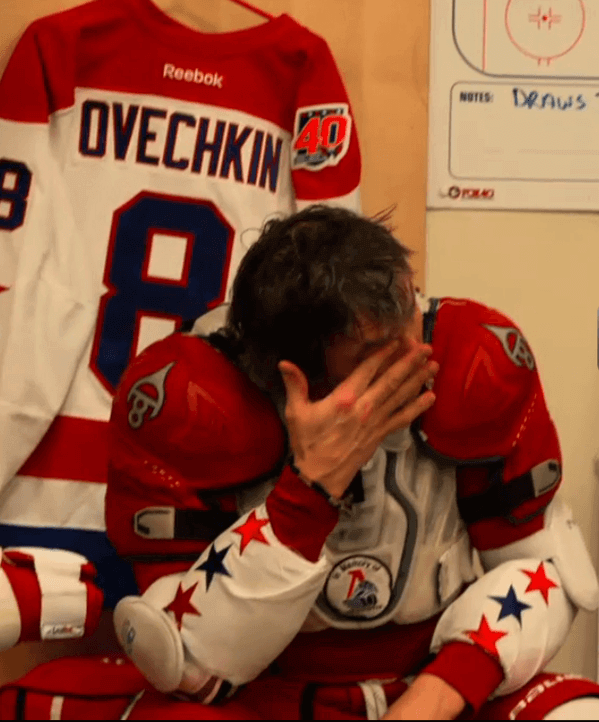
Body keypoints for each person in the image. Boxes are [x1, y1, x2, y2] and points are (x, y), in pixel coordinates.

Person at [57, 206, 599, 718]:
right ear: (288, 372)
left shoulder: (475, 360)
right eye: (379, 353)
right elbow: (189, 661)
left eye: (410, 312)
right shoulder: (188, 401)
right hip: (264, 690)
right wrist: (311, 489)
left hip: (430, 679)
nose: (419, 360)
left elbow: (546, 573)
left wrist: (436, 697)